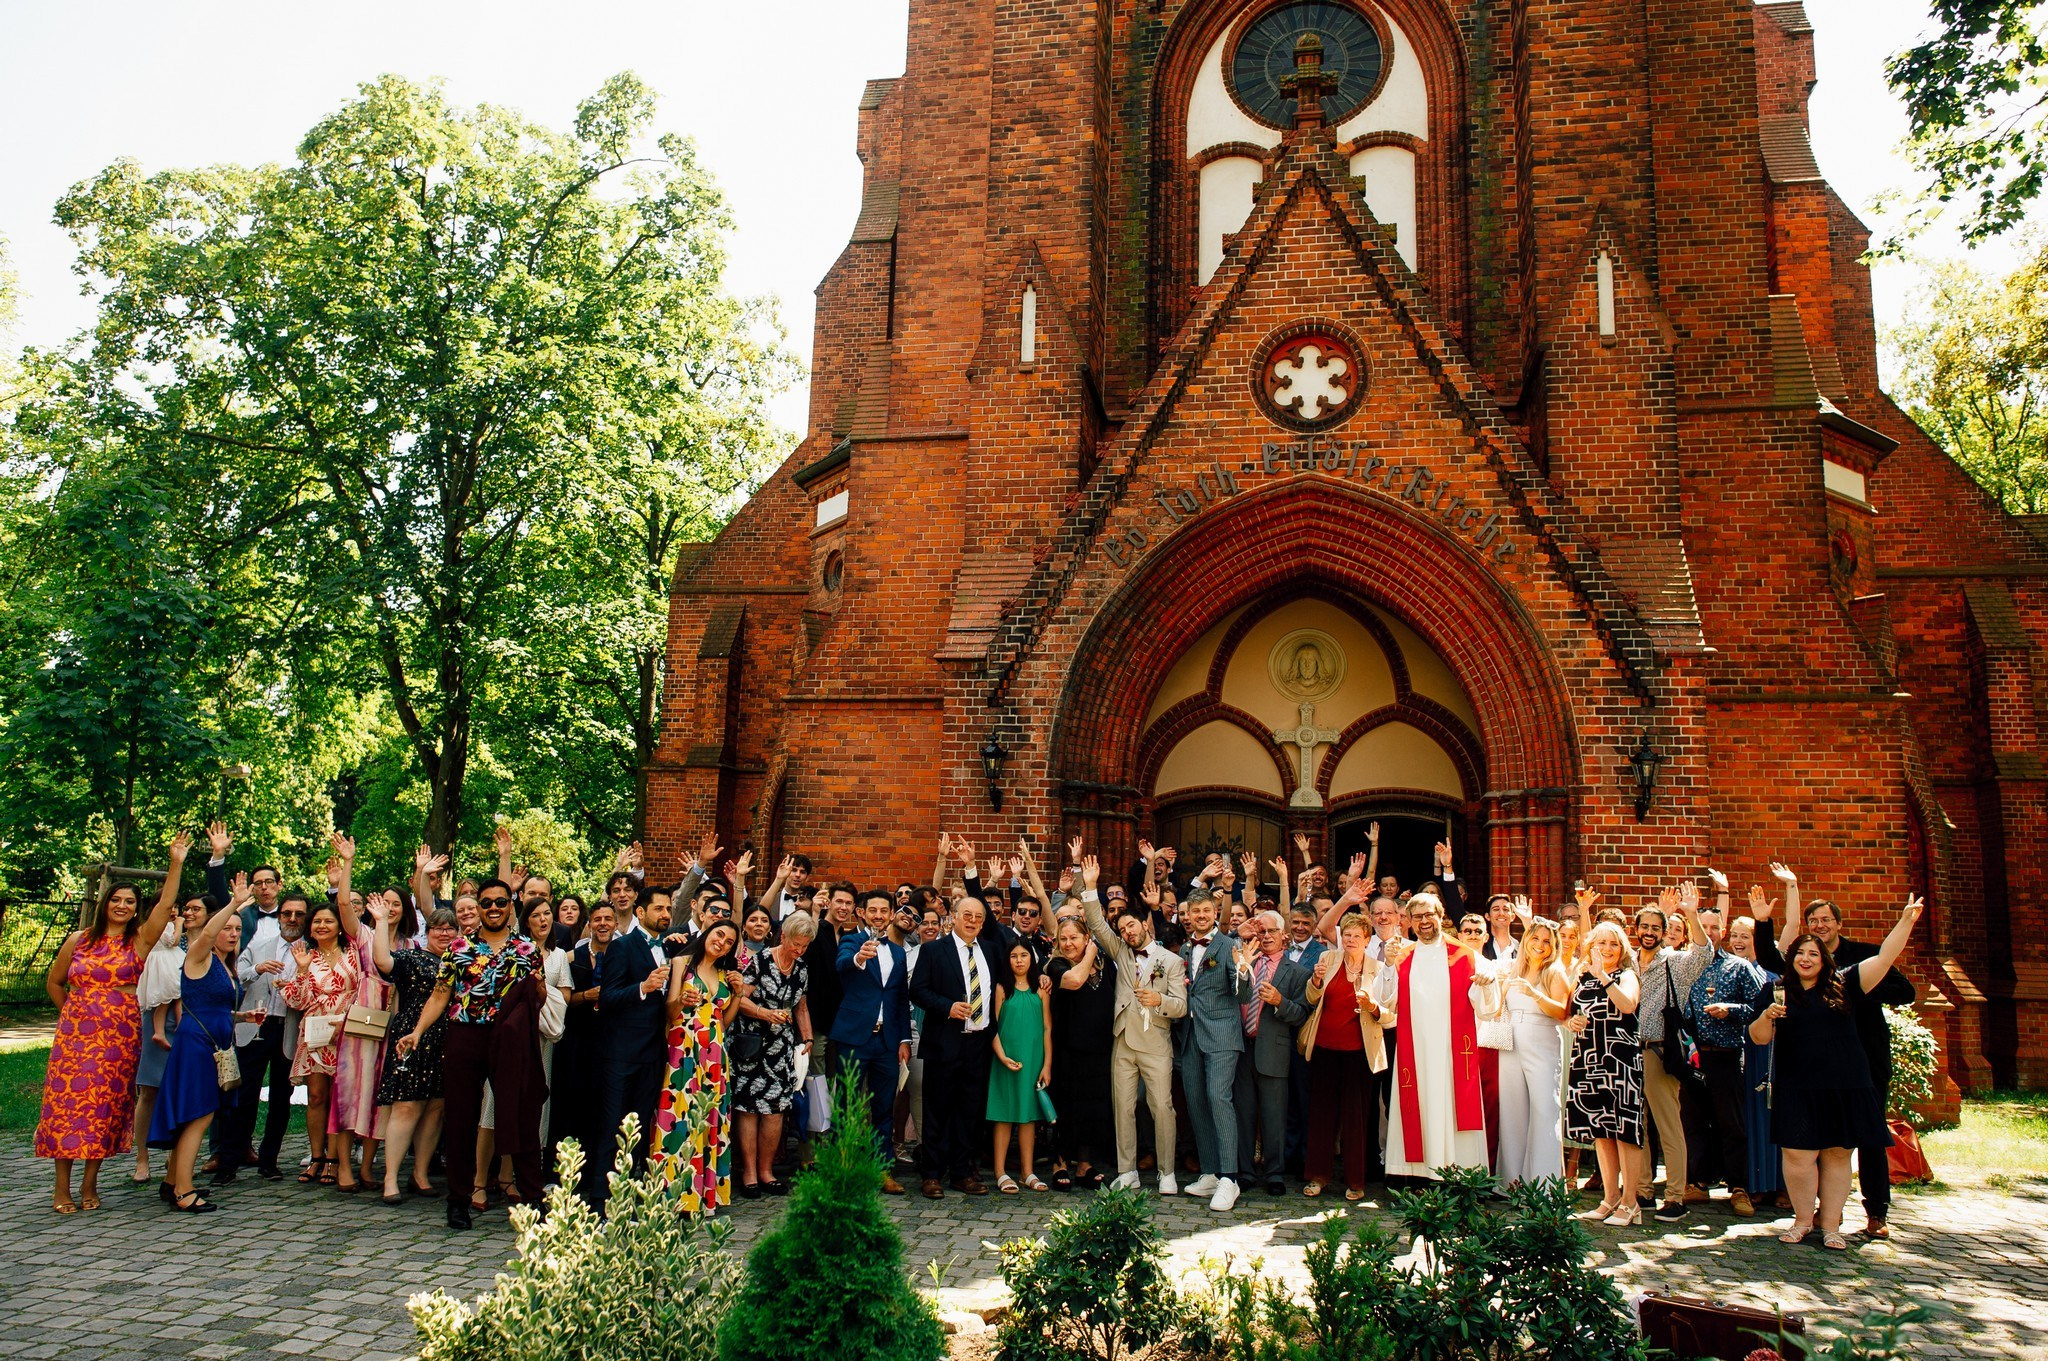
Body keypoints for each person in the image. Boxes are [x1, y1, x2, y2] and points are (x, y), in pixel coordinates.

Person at [1750, 895, 1923, 1251]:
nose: (1806, 959)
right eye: (1800, 953)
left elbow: (1886, 957)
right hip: (1798, 1084)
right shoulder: (1777, 991)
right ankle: (1801, 1221)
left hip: (1845, 1083)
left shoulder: (1846, 983)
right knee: (1798, 1155)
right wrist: (1766, 1016)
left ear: (1825, 959)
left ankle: (1830, 1226)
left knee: (1837, 1155)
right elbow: (1757, 1037)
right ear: (1791, 958)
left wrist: (1906, 921)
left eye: (1814, 954)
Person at [36, 834, 187, 1214]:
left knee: (103, 1109)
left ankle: (90, 1184)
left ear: (136, 909)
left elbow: (166, 903)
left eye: (130, 902)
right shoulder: (79, 940)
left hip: (118, 1039)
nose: (122, 906)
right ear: (105, 903)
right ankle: (61, 1188)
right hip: (73, 1041)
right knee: (67, 1108)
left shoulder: (138, 941)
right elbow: (55, 982)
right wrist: (74, 1013)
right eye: (116, 900)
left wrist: (176, 863)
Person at [395, 877, 546, 1229]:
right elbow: (439, 994)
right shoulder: (459, 948)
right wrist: (416, 1031)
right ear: (477, 907)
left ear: (512, 906)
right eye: (487, 902)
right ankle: (458, 1199)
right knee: (461, 1119)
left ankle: (533, 1198)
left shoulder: (526, 949)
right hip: (466, 1034)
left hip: (510, 1039)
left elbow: (536, 998)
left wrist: (537, 992)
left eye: (500, 902)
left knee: (520, 1113)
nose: (493, 908)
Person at [1076, 855, 1186, 1195]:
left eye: (1131, 927)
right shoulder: (1121, 953)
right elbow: (1096, 924)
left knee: (1162, 1108)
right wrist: (1091, 887)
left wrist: (1160, 1002)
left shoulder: (1171, 961)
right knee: (1122, 1107)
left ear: (1144, 925)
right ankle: (1127, 1170)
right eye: (1122, 930)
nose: (1127, 932)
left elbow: (1181, 1006)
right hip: (1123, 1040)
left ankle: (1167, 1171)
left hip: (1155, 1042)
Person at [1370, 891, 1491, 1182]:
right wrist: (1387, 965)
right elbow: (1385, 1000)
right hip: (1415, 1052)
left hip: (1452, 1053)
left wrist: (1487, 985)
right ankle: (1414, 1174)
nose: (1425, 921)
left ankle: (1459, 1173)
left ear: (1441, 917)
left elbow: (1486, 1005)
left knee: (1451, 1106)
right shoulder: (1403, 956)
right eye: (1418, 916)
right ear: (1408, 921)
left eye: (1430, 915)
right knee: (1416, 1106)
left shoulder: (1465, 954)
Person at [149, 876, 251, 1213]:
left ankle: (171, 1180)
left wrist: (243, 1016)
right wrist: (234, 903)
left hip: (216, 1041)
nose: (233, 933)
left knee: (197, 1114)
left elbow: (213, 1005)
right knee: (198, 1114)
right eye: (228, 928)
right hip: (197, 1046)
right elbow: (207, 933)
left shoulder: (223, 964)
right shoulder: (199, 954)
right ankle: (184, 1189)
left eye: (238, 929)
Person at [908, 894, 1006, 1197]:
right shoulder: (935, 950)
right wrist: (947, 1007)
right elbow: (918, 991)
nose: (973, 920)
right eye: (968, 915)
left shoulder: (989, 950)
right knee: (937, 1108)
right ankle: (932, 1174)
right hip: (944, 1040)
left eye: (979, 916)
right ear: (953, 916)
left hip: (977, 1042)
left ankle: (962, 1172)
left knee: (969, 1110)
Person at [1681, 872, 1767, 1216]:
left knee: (1732, 1124)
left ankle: (1738, 1187)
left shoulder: (1738, 967)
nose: (1710, 933)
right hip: (1691, 1056)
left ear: (1722, 930)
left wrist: (1731, 1011)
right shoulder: (1685, 964)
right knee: (1693, 1121)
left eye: (1715, 928)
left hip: (1727, 1055)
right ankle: (1698, 1183)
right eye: (1702, 927)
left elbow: (1760, 1008)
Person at [374, 861, 456, 1205]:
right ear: (428, 932)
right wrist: (380, 922)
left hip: (447, 1040)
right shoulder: (411, 957)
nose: (444, 934)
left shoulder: (461, 962)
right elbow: (381, 960)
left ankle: (420, 1173)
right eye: (438, 929)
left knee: (436, 1108)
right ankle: (390, 1178)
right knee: (406, 1108)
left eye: (450, 929)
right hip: (412, 1038)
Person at [651, 920, 743, 1215]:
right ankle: (674, 1195)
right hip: (683, 1048)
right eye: (719, 934)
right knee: (680, 1116)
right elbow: (669, 1010)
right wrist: (681, 999)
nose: (722, 942)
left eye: (729, 941)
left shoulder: (725, 974)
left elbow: (724, 1022)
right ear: (706, 932)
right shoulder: (681, 962)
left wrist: (738, 995)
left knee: (708, 1119)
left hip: (715, 1055)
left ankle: (704, 1195)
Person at [1632, 887, 1712, 1221]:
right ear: (1635, 930)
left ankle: (1676, 1196)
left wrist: (1691, 914)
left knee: (1668, 1127)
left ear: (1665, 933)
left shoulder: (1676, 964)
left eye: (1655, 928)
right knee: (1636, 1126)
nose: (1649, 932)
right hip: (1627, 1052)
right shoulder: (1628, 962)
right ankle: (1643, 1190)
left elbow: (1704, 954)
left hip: (1660, 1052)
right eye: (1644, 927)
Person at [831, 888, 914, 1193]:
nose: (879, 915)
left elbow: (901, 997)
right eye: (873, 910)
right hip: (854, 1036)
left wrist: (904, 1039)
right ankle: (843, 1167)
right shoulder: (852, 940)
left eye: (884, 911)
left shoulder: (897, 952)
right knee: (848, 1103)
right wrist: (858, 957)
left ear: (892, 914)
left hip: (888, 1041)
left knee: (884, 1108)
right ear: (862, 913)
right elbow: (841, 965)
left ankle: (882, 1169)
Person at [278, 882, 360, 1188]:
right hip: (314, 1035)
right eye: (317, 922)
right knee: (315, 1097)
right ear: (310, 929)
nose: (322, 925)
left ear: (340, 927)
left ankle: (336, 1158)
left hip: (346, 1032)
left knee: (340, 1098)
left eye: (329, 921)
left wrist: (347, 1017)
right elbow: (295, 1001)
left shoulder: (354, 956)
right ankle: (316, 1157)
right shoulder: (302, 956)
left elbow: (363, 991)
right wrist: (301, 971)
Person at [1301, 912, 1386, 1198]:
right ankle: (1317, 1177)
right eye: (1346, 935)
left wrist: (1373, 1006)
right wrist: (1314, 981)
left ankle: (1355, 1182)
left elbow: (1388, 1012)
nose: (1350, 940)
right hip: (1325, 1047)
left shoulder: (1379, 968)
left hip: (1359, 1053)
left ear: (1367, 940)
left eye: (1356, 936)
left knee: (1355, 1119)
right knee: (1321, 1116)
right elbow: (1311, 999)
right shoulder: (1328, 960)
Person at [598, 885, 679, 1182]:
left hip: (654, 1052)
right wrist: (642, 988)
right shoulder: (622, 946)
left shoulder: (669, 948)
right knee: (613, 1127)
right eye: (659, 909)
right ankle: (600, 1198)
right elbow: (607, 998)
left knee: (642, 1126)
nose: (666, 914)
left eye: (669, 909)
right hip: (621, 1053)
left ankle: (630, 1191)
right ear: (640, 912)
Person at [1566, 920, 1645, 1225]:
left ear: (1622, 948)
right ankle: (1610, 1198)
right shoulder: (1582, 977)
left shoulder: (1626, 975)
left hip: (1620, 1061)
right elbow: (1568, 1012)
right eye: (1601, 943)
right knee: (1600, 1130)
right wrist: (1570, 1022)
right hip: (1589, 1059)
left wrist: (1604, 977)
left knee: (1625, 1131)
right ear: (1591, 946)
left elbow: (1627, 1006)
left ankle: (1630, 1202)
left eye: (1613, 944)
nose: (1607, 949)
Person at [321, 835, 388, 1193]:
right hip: (364, 1013)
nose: (388, 908)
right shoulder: (363, 935)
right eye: (383, 903)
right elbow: (343, 903)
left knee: (380, 1095)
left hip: (395, 1021)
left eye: (395, 904)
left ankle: (367, 1167)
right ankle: (343, 1165)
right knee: (350, 1089)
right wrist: (348, 861)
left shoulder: (410, 943)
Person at [732, 910, 814, 1198]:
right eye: (796, 944)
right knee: (749, 1110)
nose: (799, 950)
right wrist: (764, 1013)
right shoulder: (761, 962)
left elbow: (800, 1006)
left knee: (775, 1112)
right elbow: (737, 999)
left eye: (804, 946)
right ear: (784, 936)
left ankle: (767, 1172)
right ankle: (749, 1173)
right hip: (752, 1047)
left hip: (780, 1049)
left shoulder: (802, 968)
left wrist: (808, 1037)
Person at [1177, 888, 1249, 1211]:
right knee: (1196, 1100)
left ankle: (1229, 1178)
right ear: (1189, 916)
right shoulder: (1184, 947)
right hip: (1191, 1035)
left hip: (1222, 1035)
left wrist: (1244, 969)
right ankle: (1209, 1171)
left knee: (1219, 1098)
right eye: (1196, 912)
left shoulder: (1229, 945)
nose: (1201, 916)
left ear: (1215, 911)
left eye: (1207, 911)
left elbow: (1243, 994)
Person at [1234, 910, 1310, 1196]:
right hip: (1243, 1049)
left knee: (1274, 1115)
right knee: (1244, 1113)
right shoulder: (1245, 960)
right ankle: (1245, 1172)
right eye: (1261, 932)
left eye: (1271, 932)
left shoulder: (1297, 972)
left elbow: (1302, 1015)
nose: (1266, 937)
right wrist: (1243, 963)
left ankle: (1275, 1173)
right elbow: (1236, 997)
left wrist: (1280, 1001)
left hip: (1274, 1050)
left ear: (1283, 936)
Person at [1495, 914, 1571, 1188]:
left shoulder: (1554, 972)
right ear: (1526, 940)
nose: (1540, 945)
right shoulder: (1513, 969)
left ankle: (1544, 1186)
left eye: (1547, 941)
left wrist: (1535, 994)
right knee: (1513, 1110)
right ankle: (1512, 1182)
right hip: (1510, 1040)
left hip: (1541, 1040)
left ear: (1554, 946)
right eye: (1535, 938)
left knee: (1543, 1109)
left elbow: (1563, 1011)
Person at [132, 897, 198, 1183]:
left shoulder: (199, 936)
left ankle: (176, 1157)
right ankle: (142, 1158)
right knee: (149, 1090)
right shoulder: (150, 931)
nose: (178, 913)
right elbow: (170, 942)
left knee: (183, 1090)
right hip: (157, 1001)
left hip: (185, 1010)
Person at [1046, 916, 1113, 1190]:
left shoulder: (1107, 966)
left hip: (1099, 1050)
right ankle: (1059, 1163)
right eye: (1063, 938)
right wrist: (1091, 954)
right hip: (1067, 1049)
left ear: (1086, 937)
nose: (1068, 943)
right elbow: (1074, 981)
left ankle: (1084, 1164)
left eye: (1074, 937)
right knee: (1066, 1105)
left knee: (1091, 1107)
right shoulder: (1056, 965)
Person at [1728, 904, 1785, 1204]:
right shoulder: (1728, 968)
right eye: (1734, 935)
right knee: (1747, 1116)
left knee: (1770, 1112)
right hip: (1740, 1048)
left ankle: (1780, 1184)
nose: (1738, 941)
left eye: (1745, 935)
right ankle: (1755, 1184)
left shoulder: (1771, 972)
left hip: (1767, 1050)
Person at [986, 940, 1052, 1193]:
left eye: (1024, 955)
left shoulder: (1041, 990)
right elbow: (993, 1026)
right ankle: (1000, 1171)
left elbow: (1047, 1028)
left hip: (1033, 1059)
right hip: (1005, 1057)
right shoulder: (1002, 988)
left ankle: (1027, 1171)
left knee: (1028, 1116)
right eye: (1014, 956)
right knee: (1004, 1114)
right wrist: (1002, 1056)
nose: (1019, 960)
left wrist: (1047, 1064)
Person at [557, 900, 614, 1188]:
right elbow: (561, 1000)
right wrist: (585, 997)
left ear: (616, 924)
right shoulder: (571, 956)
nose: (603, 923)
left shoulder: (623, 953)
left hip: (609, 1042)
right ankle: (566, 1172)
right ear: (589, 924)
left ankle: (597, 1172)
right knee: (572, 1106)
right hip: (576, 1042)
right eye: (597, 919)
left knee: (602, 1109)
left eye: (608, 918)